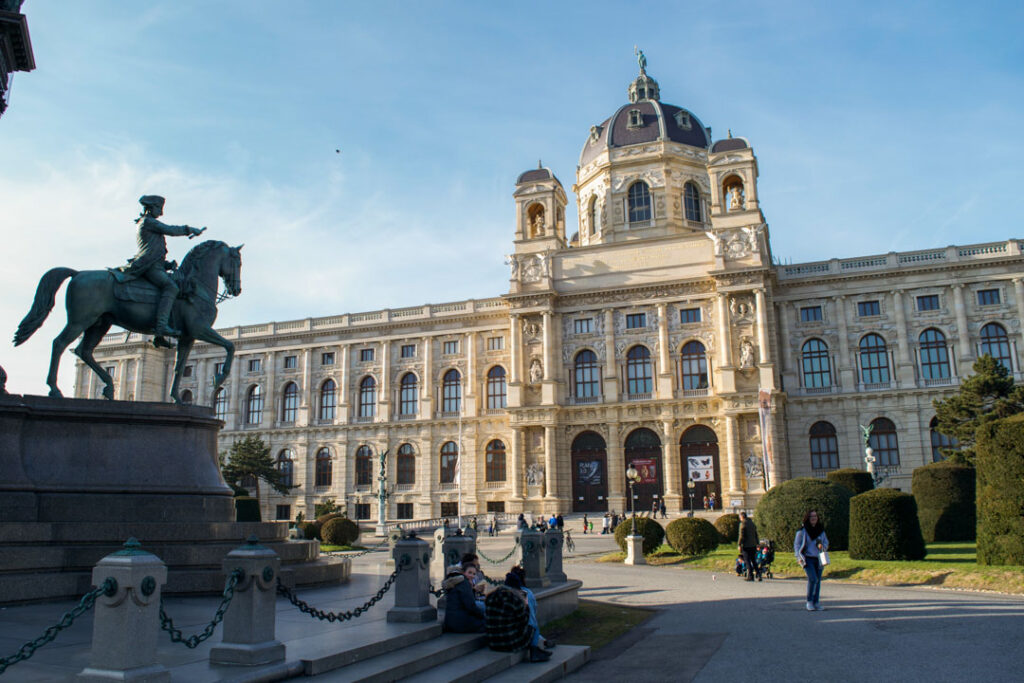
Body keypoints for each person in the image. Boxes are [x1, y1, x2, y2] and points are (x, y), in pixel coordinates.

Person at [118, 195, 205, 344]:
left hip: (154, 264)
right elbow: (170, 230)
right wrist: (189, 229)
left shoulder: (146, 223)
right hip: (147, 265)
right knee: (171, 287)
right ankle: (161, 327)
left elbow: (153, 250)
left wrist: (166, 265)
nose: (161, 212)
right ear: (151, 208)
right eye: (159, 208)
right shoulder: (148, 222)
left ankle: (159, 337)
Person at [795, 509, 829, 611]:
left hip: (818, 558)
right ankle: (809, 601)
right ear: (807, 518)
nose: (814, 518)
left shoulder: (820, 531)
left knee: (818, 581)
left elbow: (826, 542)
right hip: (807, 559)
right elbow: (797, 545)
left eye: (815, 516)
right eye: (811, 516)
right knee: (813, 579)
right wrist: (798, 557)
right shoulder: (802, 531)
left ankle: (816, 602)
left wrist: (823, 546)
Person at [442, 565, 485, 633]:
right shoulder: (464, 583)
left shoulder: (452, 583)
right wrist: (483, 616)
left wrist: (472, 590)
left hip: (450, 622)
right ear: (463, 573)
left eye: (474, 574)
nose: (472, 576)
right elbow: (470, 606)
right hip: (461, 623)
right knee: (489, 622)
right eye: (469, 573)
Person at [737, 511, 759, 582]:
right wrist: (757, 543)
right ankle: (759, 574)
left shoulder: (743, 524)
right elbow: (756, 534)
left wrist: (739, 544)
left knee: (747, 560)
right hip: (753, 544)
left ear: (742, 517)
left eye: (740, 517)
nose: (739, 519)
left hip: (746, 545)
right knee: (753, 560)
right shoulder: (752, 523)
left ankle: (750, 576)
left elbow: (741, 535)